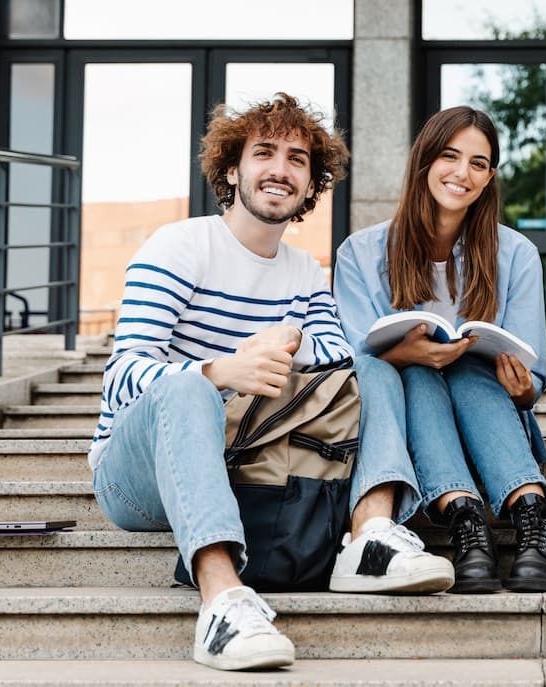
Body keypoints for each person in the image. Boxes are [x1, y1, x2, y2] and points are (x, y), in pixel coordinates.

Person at [88, 93, 452, 673]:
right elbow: (123, 377)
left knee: (376, 365)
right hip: (139, 474)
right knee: (187, 390)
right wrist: (221, 371)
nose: (280, 169)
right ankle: (223, 605)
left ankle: (371, 534)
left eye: (298, 160)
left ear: (311, 186)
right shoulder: (181, 246)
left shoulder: (304, 273)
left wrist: (284, 351)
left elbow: (337, 362)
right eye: (265, 153)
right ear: (232, 169)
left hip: (244, 458)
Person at [333, 106, 546, 594]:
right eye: (450, 156)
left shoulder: (514, 252)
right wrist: (408, 355)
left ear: (490, 176)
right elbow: (354, 362)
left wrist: (522, 387)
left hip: (493, 419)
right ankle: (467, 526)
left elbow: (531, 378)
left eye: (479, 163)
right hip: (414, 418)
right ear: (424, 161)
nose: (463, 173)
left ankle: (533, 522)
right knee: (416, 373)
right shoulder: (361, 252)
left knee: (470, 368)